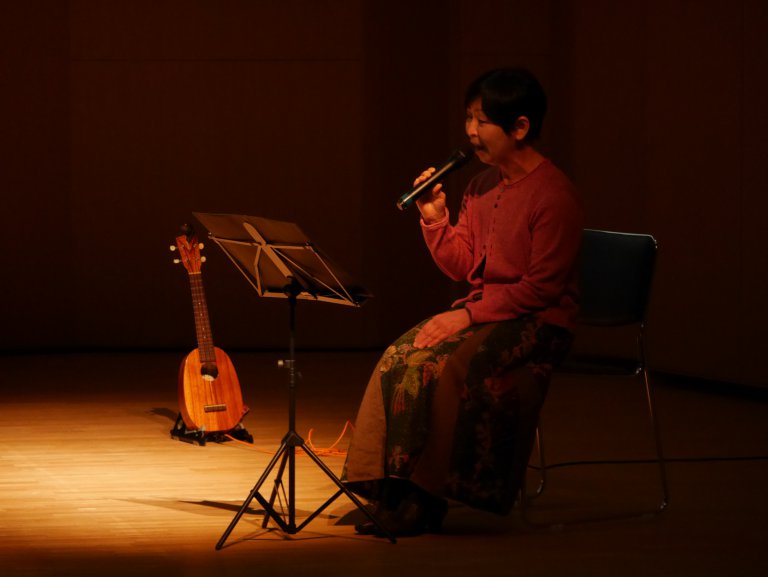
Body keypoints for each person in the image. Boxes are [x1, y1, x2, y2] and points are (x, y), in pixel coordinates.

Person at [343, 67, 584, 536]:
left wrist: (468, 316)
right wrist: (435, 220)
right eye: (468, 118)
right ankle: (388, 485)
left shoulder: (554, 195)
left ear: (520, 127)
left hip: (540, 320)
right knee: (402, 355)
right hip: (489, 311)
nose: (471, 131)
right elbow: (463, 267)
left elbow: (542, 289)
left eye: (483, 120)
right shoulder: (479, 185)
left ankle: (426, 497)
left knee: (446, 365)